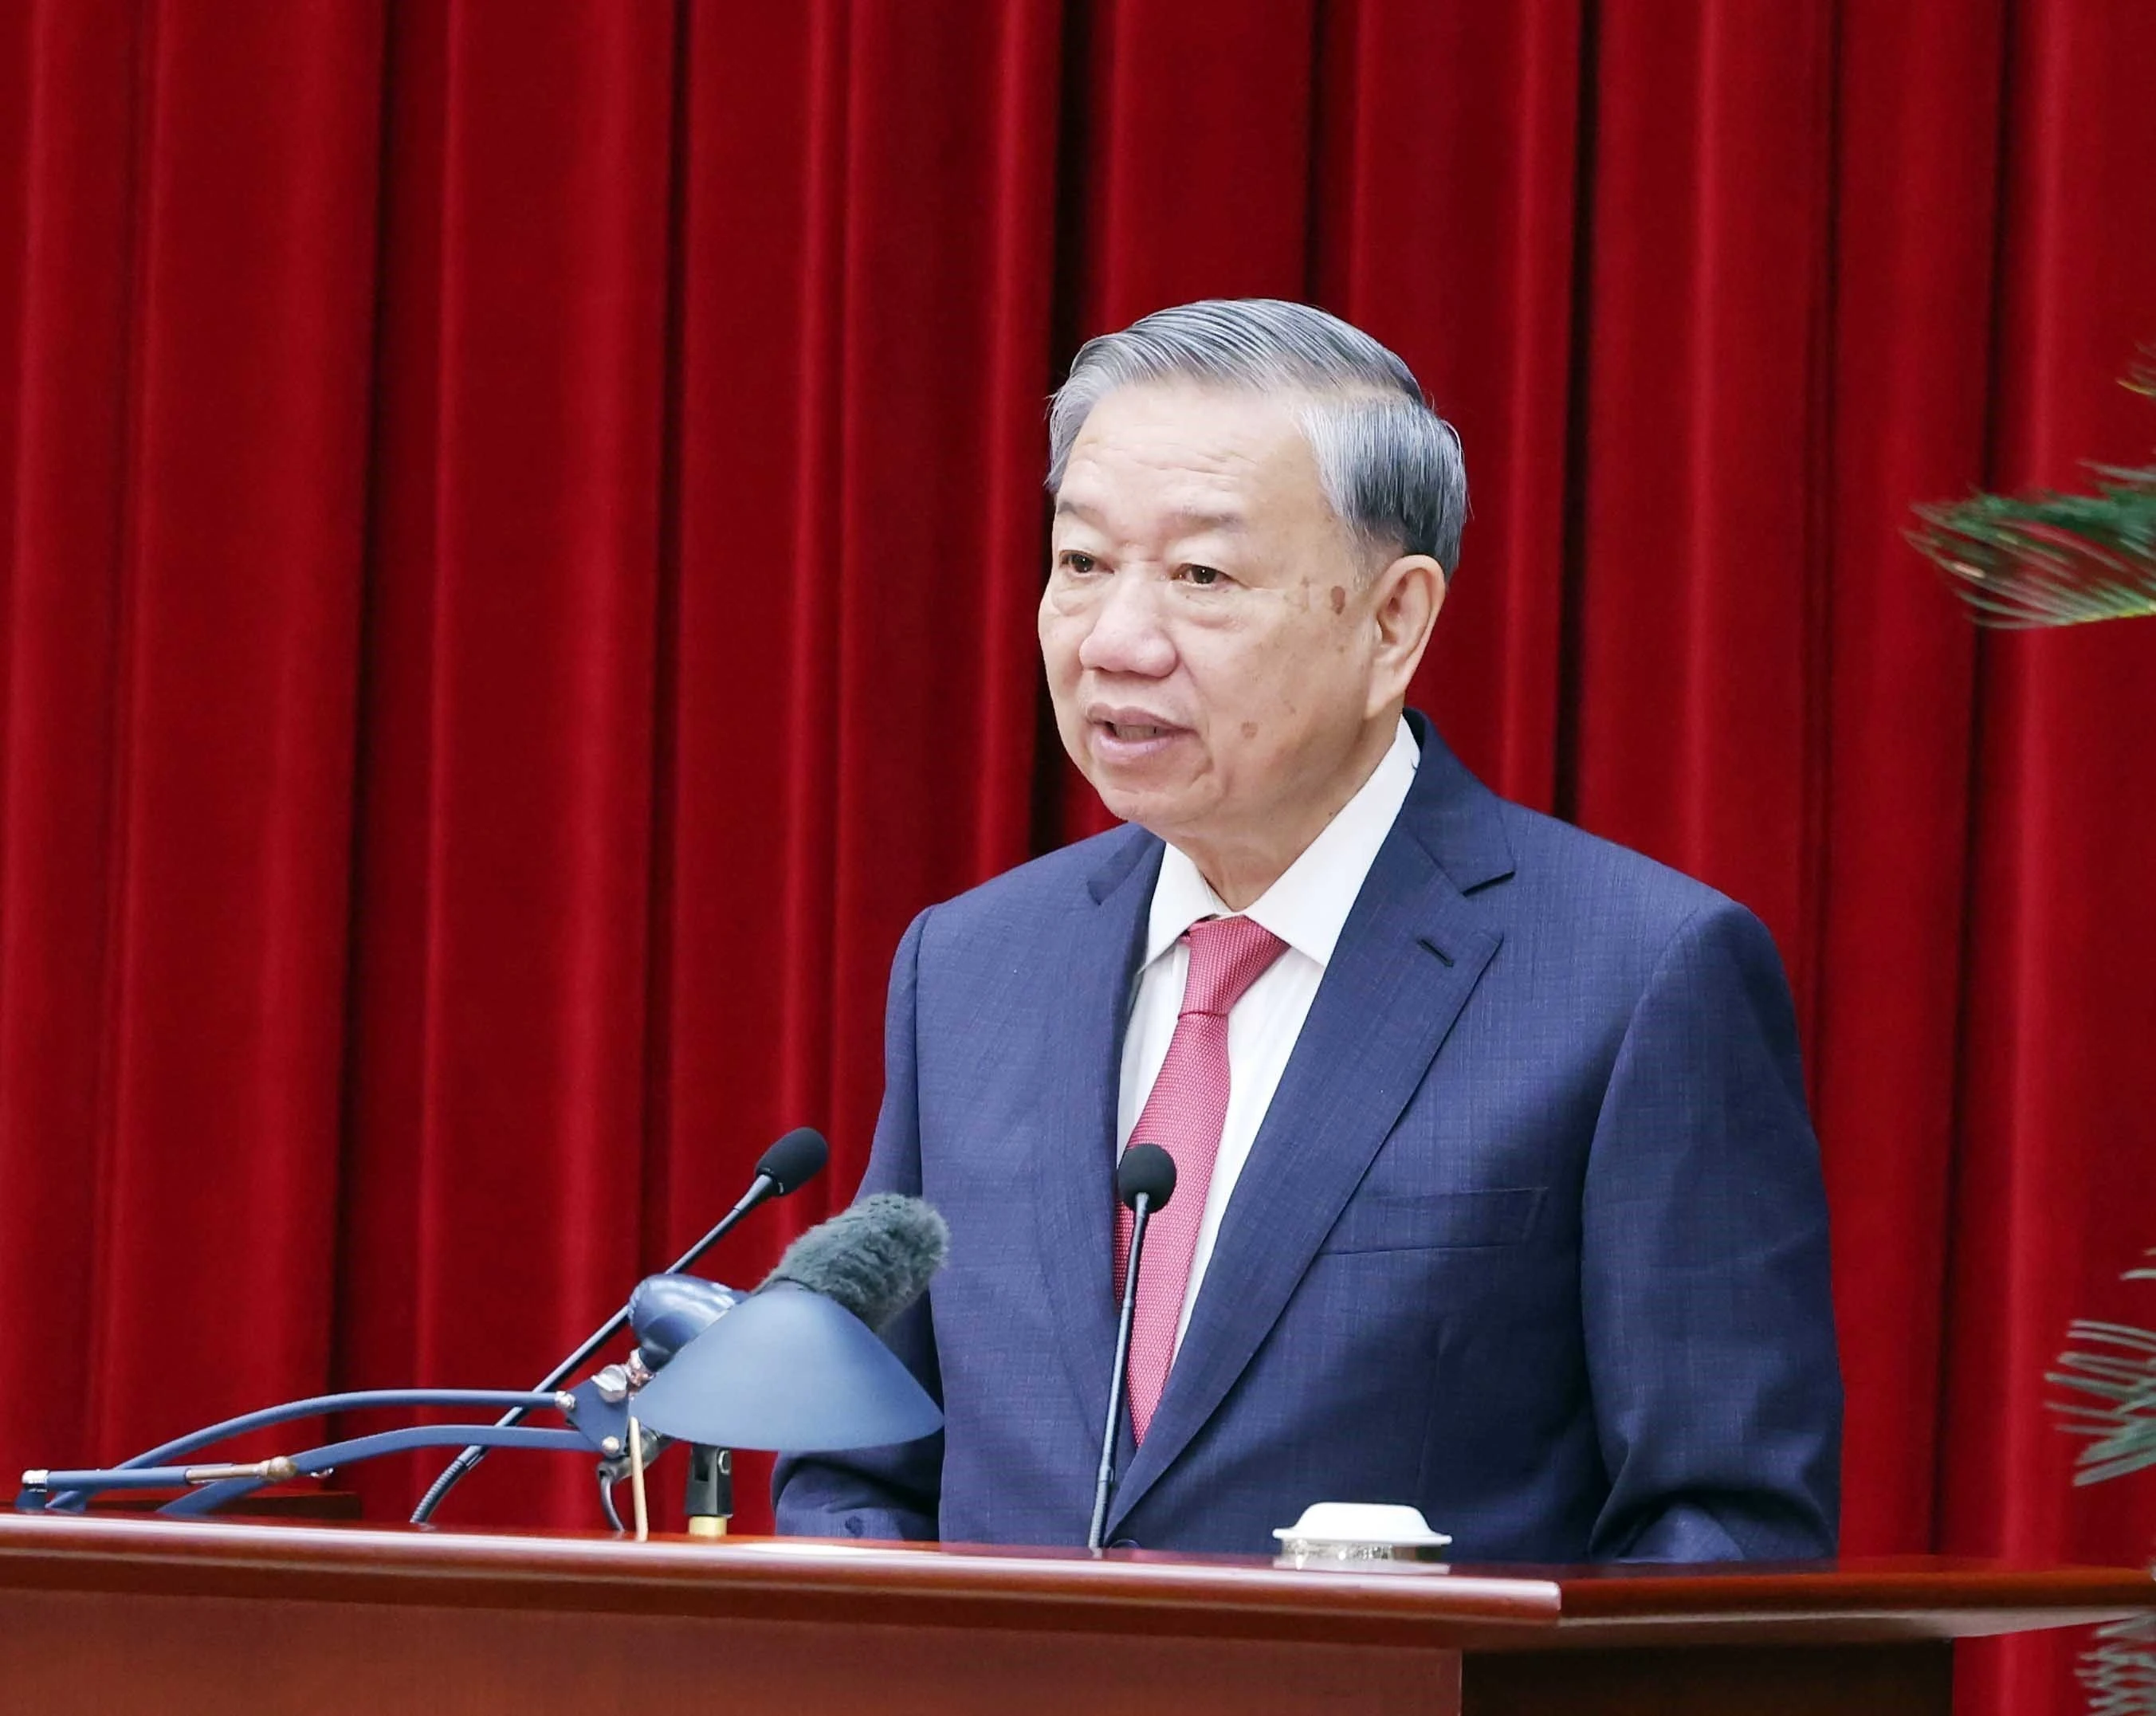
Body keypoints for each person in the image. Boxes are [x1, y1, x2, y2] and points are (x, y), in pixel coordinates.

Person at [774, 299, 1840, 1561]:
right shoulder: (970, 967)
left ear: (1393, 622)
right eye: (1082, 563)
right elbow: (852, 1462)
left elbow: (1723, 1532)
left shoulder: (1635, 979)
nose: (1116, 640)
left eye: (1203, 577)